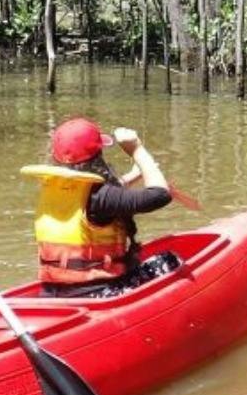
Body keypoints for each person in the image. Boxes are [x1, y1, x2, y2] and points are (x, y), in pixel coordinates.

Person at [21, 118, 179, 296]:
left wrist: (132, 176)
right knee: (168, 260)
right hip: (97, 294)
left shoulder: (53, 189)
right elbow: (160, 195)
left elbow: (100, 200)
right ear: (97, 157)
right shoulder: (100, 197)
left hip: (52, 293)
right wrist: (137, 150)